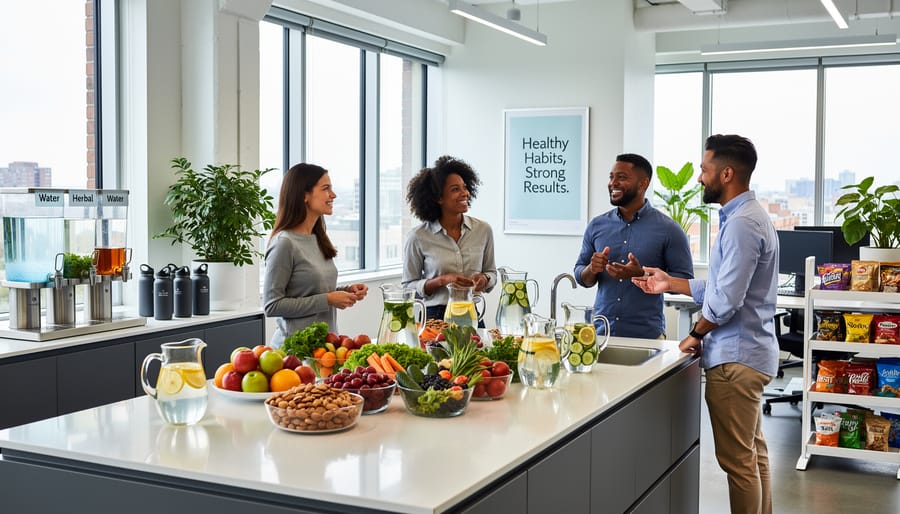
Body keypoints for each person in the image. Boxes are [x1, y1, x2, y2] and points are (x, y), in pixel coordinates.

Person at [632, 135, 778, 514]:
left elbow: (726, 300)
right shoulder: (749, 216)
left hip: (736, 358)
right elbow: (722, 285)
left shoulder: (743, 224)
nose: (699, 178)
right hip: (749, 354)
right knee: (753, 455)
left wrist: (695, 334)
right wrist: (671, 283)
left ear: (726, 173)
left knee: (738, 464)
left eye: (704, 169)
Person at [573, 153, 693, 339]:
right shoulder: (597, 226)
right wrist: (591, 268)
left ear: (643, 184)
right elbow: (581, 277)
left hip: (648, 337)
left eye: (621, 177)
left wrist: (641, 275)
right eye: (611, 177)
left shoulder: (669, 229)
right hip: (602, 335)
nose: (613, 183)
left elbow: (685, 280)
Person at [263, 163, 368, 349]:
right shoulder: (284, 243)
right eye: (326, 188)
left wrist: (346, 290)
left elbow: (310, 289)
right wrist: (328, 300)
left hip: (325, 349)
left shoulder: (318, 237)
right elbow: (272, 305)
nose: (333, 195)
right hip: (294, 355)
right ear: (304, 195)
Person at [402, 155, 497, 324]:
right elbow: (408, 287)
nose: (465, 193)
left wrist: (485, 279)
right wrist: (442, 280)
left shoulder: (483, 230)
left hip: (471, 313)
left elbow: (492, 273)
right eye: (455, 189)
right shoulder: (418, 237)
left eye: (465, 187)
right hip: (434, 317)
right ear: (439, 198)